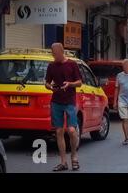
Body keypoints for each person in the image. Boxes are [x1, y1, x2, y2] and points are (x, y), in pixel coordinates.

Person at [45, 43, 82, 171]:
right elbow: (47, 83)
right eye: (53, 54)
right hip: (56, 101)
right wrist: (50, 87)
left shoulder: (72, 64)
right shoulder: (51, 66)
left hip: (70, 101)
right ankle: (63, 162)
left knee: (71, 130)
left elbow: (79, 82)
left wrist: (70, 84)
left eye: (56, 53)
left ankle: (74, 156)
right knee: (59, 131)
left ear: (62, 52)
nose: (54, 56)